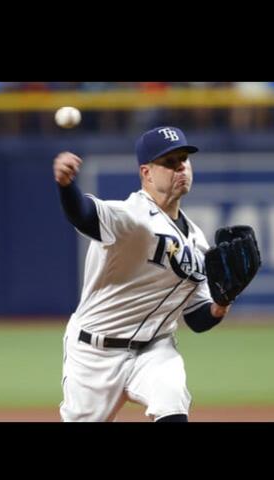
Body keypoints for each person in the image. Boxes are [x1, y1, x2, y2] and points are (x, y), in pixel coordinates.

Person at [53, 126, 251, 422]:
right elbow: (83, 215)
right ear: (146, 173)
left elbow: (197, 318)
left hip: (155, 350)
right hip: (94, 353)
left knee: (171, 401)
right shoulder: (131, 217)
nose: (180, 167)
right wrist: (67, 186)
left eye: (184, 159)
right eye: (169, 162)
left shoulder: (197, 241)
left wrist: (222, 303)